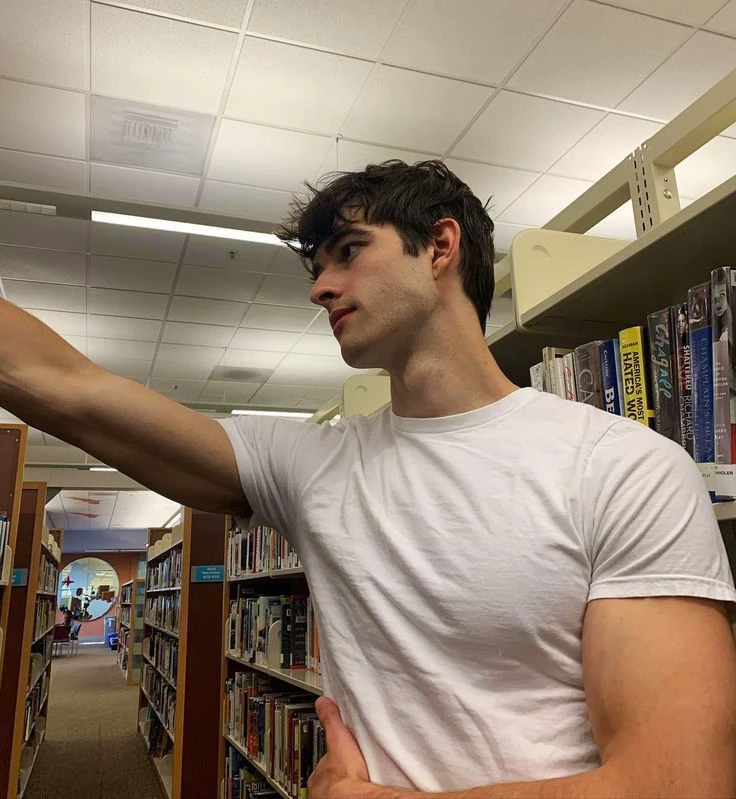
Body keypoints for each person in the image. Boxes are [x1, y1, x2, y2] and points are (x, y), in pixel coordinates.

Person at [1, 160, 735, 797]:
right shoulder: (308, 465)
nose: (321, 288)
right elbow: (71, 390)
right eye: (317, 267)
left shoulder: (622, 467)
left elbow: (678, 782)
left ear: (440, 247)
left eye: (349, 252)